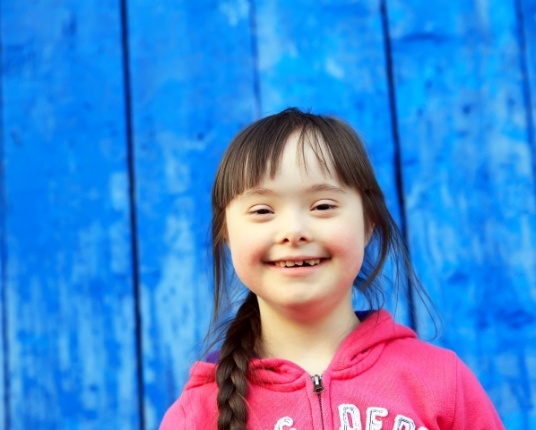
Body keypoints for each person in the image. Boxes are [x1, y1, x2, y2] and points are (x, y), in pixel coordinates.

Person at [160, 108, 504, 430]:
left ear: (369, 223)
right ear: (227, 234)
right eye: (263, 210)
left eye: (323, 205)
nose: (293, 231)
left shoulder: (442, 380)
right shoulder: (196, 413)